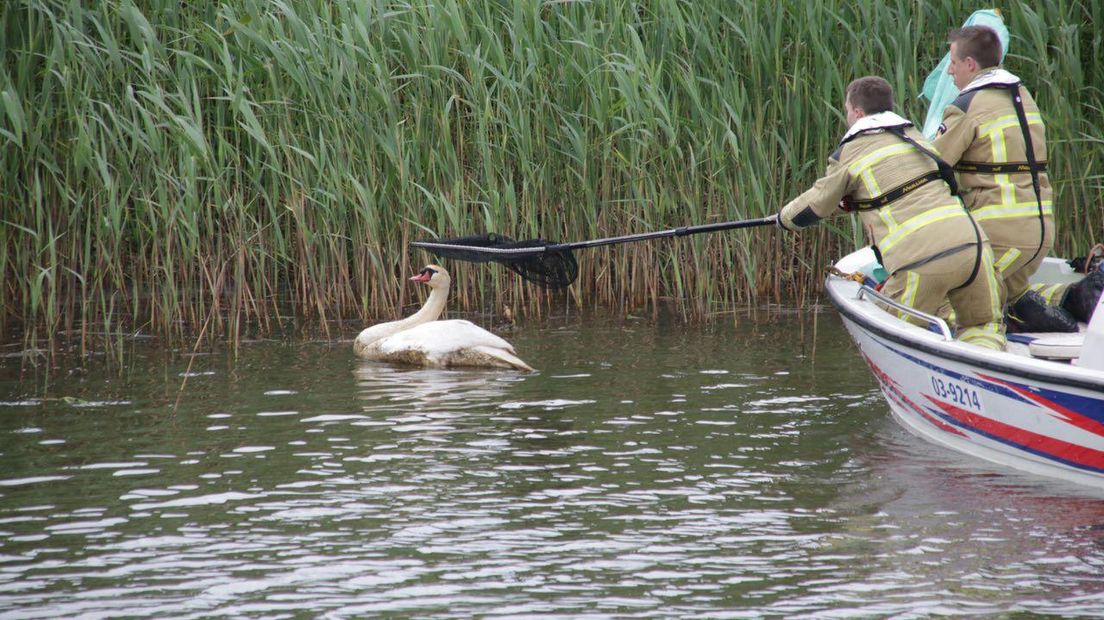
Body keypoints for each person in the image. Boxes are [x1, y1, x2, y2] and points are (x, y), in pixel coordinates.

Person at [778, 76, 1005, 350]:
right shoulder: (914, 137)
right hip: (974, 247)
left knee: (894, 339)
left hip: (920, 260)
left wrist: (783, 219)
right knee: (982, 328)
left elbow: (814, 205)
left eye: (848, 110)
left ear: (858, 113)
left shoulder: (849, 153)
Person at [932, 25, 1101, 329]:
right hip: (1038, 230)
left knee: (947, 295)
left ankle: (994, 335)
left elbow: (933, 167)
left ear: (971, 64)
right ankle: (1073, 297)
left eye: (953, 63)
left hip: (1000, 231)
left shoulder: (966, 106)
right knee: (1012, 292)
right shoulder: (1023, 97)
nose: (949, 73)